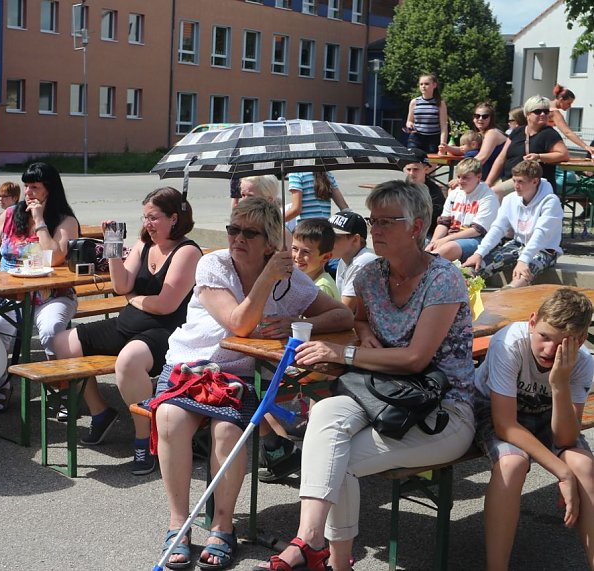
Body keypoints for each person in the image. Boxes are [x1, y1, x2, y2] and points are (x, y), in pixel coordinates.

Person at [255, 180, 475, 571]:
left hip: (441, 408)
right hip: (379, 395)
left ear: (416, 226)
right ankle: (312, 543)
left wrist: (343, 351)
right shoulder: (371, 276)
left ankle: (327, 557)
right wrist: (366, 331)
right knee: (324, 417)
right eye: (373, 220)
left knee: (334, 460)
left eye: (387, 221)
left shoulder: (444, 278)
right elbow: (355, 318)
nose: (375, 229)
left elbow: (415, 358)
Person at [155, 197, 353, 570]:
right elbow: (240, 324)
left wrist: (296, 316)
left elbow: (343, 315)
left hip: (239, 374)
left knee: (228, 433)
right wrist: (266, 279)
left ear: (270, 243)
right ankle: (178, 524)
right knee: (169, 417)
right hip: (190, 366)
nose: (237, 238)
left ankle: (222, 525)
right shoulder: (213, 265)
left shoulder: (289, 278)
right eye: (233, 229)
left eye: (249, 232)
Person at [52, 187, 202, 475]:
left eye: (153, 218)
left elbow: (165, 305)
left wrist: (134, 299)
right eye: (144, 217)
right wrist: (112, 245)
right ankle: (100, 412)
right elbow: (120, 286)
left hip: (164, 332)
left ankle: (145, 440)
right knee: (63, 343)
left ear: (174, 218)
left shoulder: (188, 252)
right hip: (127, 325)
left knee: (129, 361)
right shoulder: (144, 245)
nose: (147, 223)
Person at [474, 288, 594, 570]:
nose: (550, 351)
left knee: (584, 466)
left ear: (580, 341)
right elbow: (505, 425)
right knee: (512, 463)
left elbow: (565, 437)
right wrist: (561, 472)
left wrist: (559, 384)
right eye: (544, 337)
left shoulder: (583, 362)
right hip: (496, 410)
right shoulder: (509, 343)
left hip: (547, 413)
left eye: (564, 343)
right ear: (531, 322)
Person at [0, 163, 80, 413]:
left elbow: (55, 258)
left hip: (53, 295)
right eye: (26, 186)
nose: (28, 192)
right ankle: (1, 385)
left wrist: (40, 220)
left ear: (50, 190)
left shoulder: (66, 220)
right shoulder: (10, 214)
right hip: (12, 295)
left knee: (52, 329)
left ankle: (62, 388)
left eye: (35, 187)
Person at [463, 160, 563, 288]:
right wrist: (479, 253)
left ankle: (509, 293)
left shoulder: (550, 202)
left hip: (544, 249)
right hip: (517, 244)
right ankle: (460, 288)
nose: (516, 185)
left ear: (535, 181)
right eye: (514, 180)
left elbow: (541, 234)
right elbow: (498, 228)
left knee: (524, 273)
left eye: (521, 181)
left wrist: (524, 260)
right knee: (477, 266)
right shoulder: (510, 199)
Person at [486, 96, 570, 199]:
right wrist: (488, 182)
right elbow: (501, 158)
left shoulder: (550, 134)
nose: (543, 114)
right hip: (509, 178)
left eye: (546, 111)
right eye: (538, 111)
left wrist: (539, 156)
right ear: (527, 114)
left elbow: (563, 154)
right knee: (481, 190)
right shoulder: (517, 131)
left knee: (495, 192)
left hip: (530, 182)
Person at [425, 158, 499, 262]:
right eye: (459, 177)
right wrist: (434, 242)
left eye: (465, 178)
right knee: (424, 246)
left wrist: (446, 239)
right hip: (452, 235)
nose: (460, 181)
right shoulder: (455, 193)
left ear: (479, 177)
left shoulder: (488, 197)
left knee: (446, 249)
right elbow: (444, 223)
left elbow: (477, 230)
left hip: (477, 239)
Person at [439, 102, 508, 181]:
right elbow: (464, 149)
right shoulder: (480, 134)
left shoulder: (492, 133)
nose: (480, 119)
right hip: (483, 174)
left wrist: (461, 177)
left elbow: (481, 158)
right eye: (477, 116)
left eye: (485, 116)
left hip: (497, 177)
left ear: (491, 118)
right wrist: (447, 148)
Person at [327, 211, 376, 313]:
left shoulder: (362, 263)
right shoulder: (343, 261)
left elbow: (343, 312)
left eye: (335, 237)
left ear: (355, 240)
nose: (327, 241)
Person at [291, 218, 340, 300]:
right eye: (294, 248)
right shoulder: (305, 281)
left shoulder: (321, 288)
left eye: (306, 252)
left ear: (326, 257)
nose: (298, 256)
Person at [402, 148, 446, 238]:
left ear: (426, 169)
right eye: (408, 169)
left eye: (415, 169)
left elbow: (432, 217)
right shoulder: (401, 188)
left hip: (425, 233)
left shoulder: (433, 191)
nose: (411, 173)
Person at [405, 73, 448, 153]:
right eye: (421, 84)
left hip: (433, 138)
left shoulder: (440, 103)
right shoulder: (414, 102)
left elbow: (444, 126)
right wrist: (410, 125)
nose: (423, 86)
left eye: (426, 84)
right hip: (416, 137)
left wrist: (442, 144)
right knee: (413, 159)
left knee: (429, 163)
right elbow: (409, 120)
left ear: (434, 85)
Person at [285, 171, 349, 223]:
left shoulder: (297, 173)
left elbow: (296, 209)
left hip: (306, 228)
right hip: (325, 228)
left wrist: (278, 221)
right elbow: (345, 208)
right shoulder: (327, 174)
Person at [549, 84, 594, 156]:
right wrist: (585, 146)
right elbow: (567, 133)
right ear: (561, 100)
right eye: (568, 103)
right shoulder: (555, 113)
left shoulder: (546, 104)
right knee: (563, 154)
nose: (570, 106)